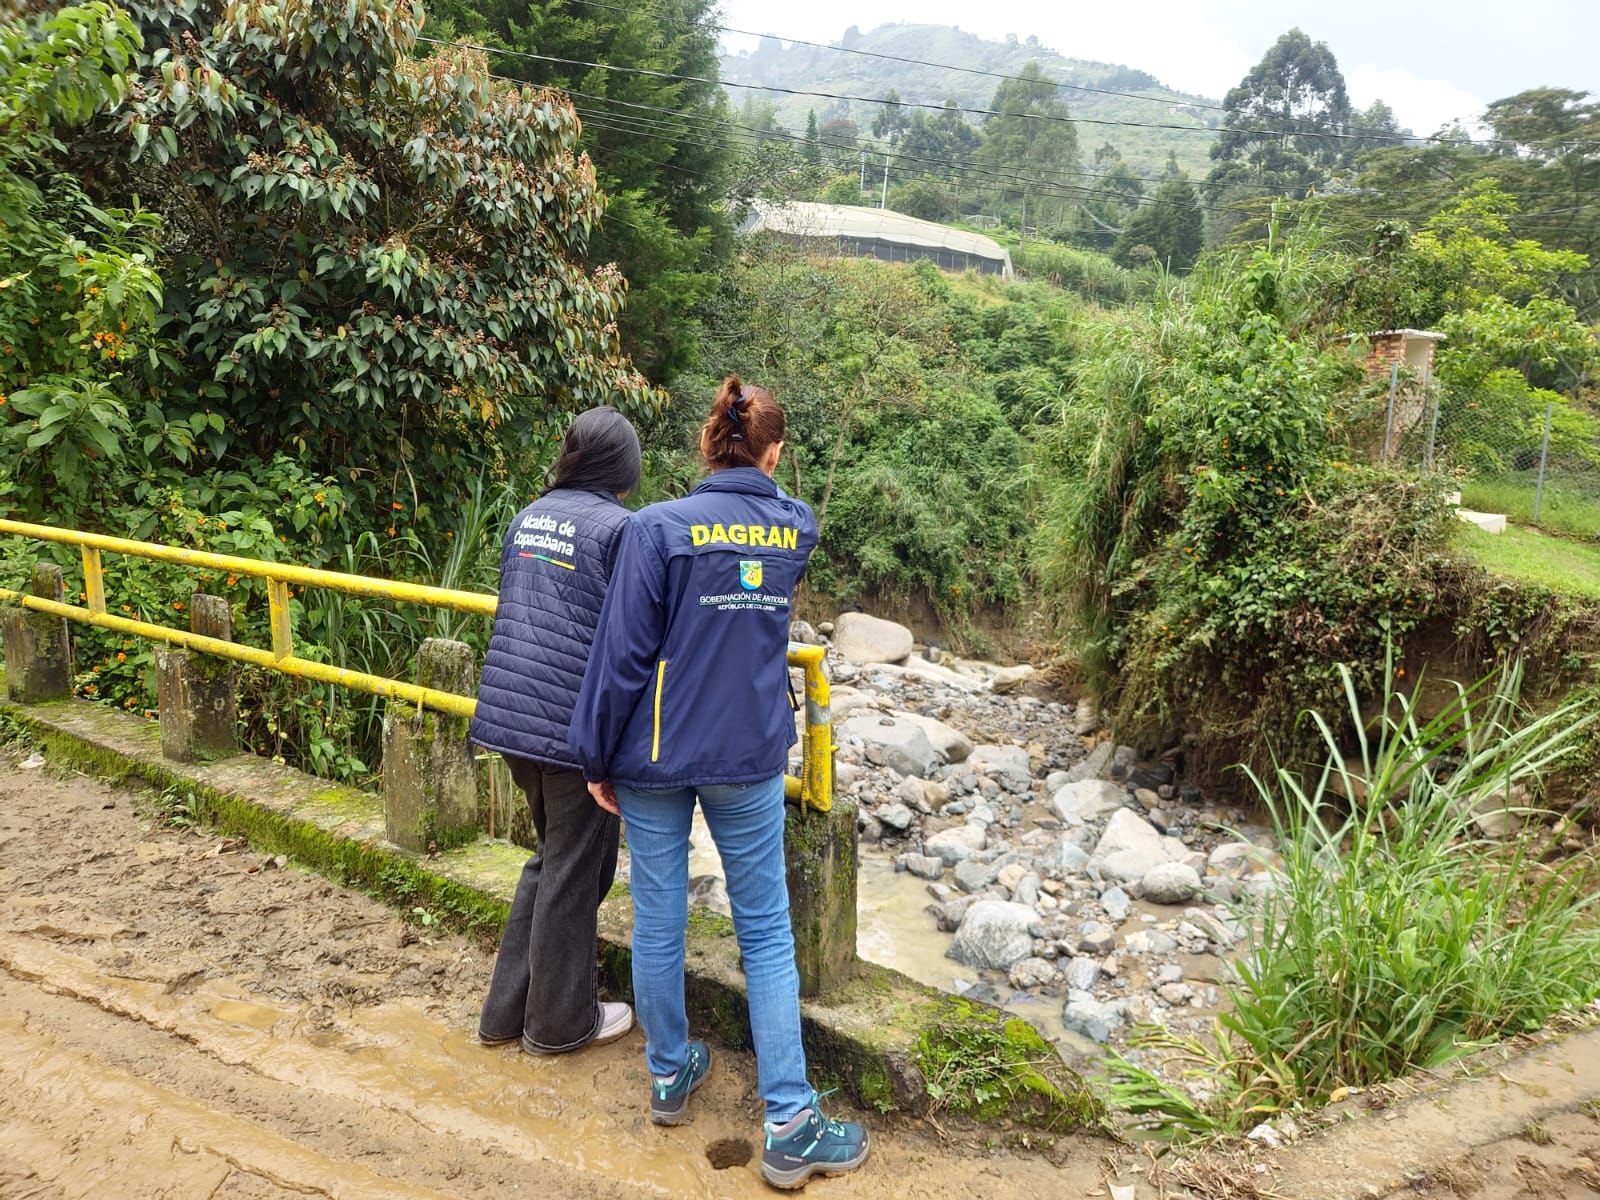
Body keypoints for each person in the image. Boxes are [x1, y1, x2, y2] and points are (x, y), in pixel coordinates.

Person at [569, 377, 870, 1190]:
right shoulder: (794, 527)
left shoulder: (656, 528)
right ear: (774, 453)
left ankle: (670, 1075)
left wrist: (596, 757)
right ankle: (791, 1122)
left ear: (708, 445)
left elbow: (622, 655)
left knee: (659, 917)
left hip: (654, 753)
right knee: (765, 931)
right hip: (746, 755)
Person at [469, 405, 641, 1055]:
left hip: (510, 717)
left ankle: (506, 1013)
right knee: (575, 869)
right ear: (623, 467)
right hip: (571, 727)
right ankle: (560, 1024)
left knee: (555, 860)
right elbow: (628, 638)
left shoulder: (529, 516)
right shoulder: (619, 529)